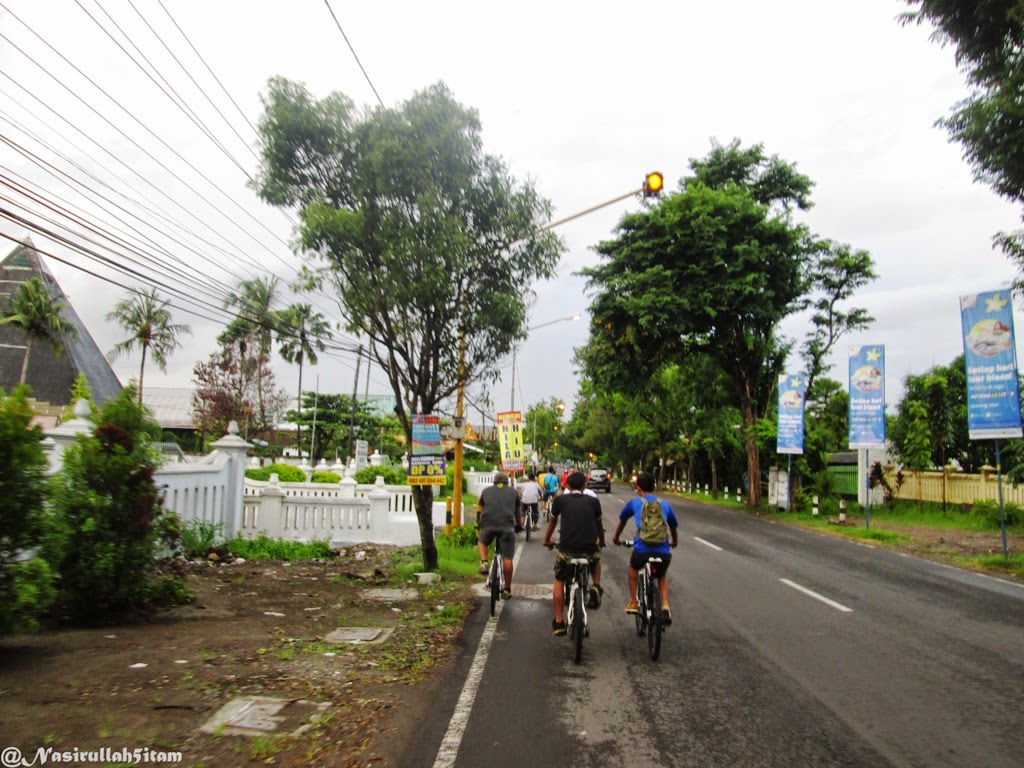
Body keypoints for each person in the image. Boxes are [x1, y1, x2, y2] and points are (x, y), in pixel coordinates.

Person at [612, 471, 679, 626]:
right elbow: (673, 526)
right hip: (663, 551)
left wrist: (616, 538)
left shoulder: (635, 503)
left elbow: (622, 521)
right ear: (654, 487)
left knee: (633, 567)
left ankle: (634, 601)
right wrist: (674, 541)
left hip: (642, 550)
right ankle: (665, 605)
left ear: (638, 487)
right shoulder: (664, 504)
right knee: (662, 575)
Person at [543, 471, 605, 636]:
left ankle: (558, 621)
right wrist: (602, 541)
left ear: (567, 486)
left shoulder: (560, 500)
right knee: (595, 561)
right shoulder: (593, 502)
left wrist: (547, 540)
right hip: (589, 549)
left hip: (567, 550)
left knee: (559, 579)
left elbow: (552, 523)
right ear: (585, 486)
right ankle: (596, 585)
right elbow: (599, 525)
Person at [477, 471, 523, 600]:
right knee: (507, 558)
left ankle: (484, 562)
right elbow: (517, 512)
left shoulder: (486, 491)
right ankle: (507, 589)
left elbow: (481, 508)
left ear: (494, 482)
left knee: (482, 541)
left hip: (488, 524)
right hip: (507, 527)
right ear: (507, 482)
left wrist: (480, 523)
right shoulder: (513, 492)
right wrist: (519, 524)